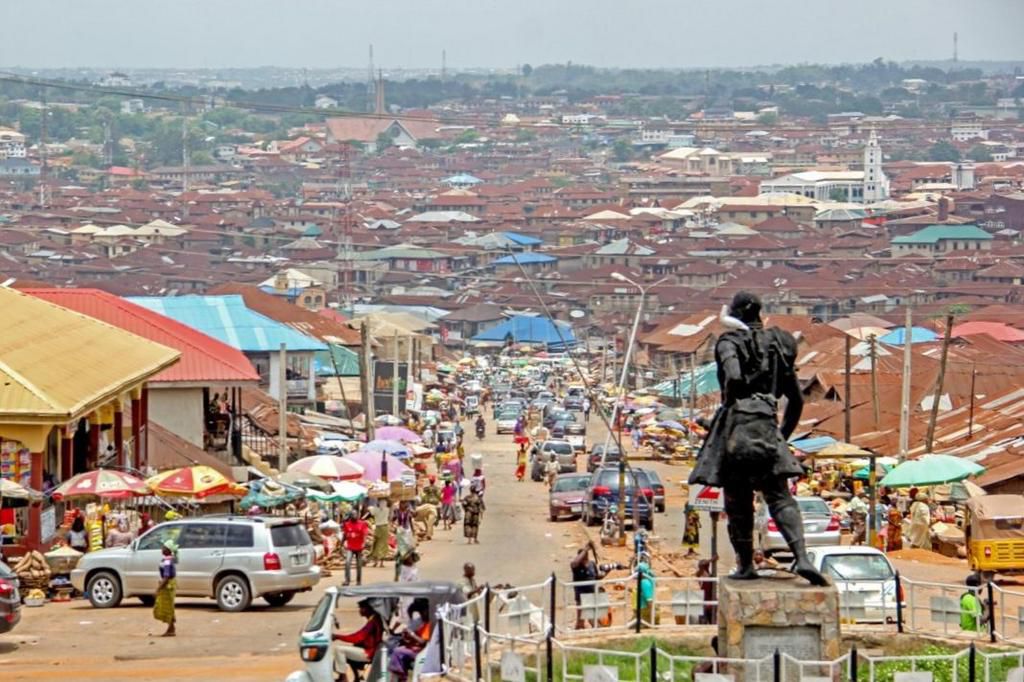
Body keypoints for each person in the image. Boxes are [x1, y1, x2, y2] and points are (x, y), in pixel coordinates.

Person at [688, 291, 826, 586]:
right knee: (780, 497)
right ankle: (801, 557)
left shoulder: (729, 342)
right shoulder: (779, 344)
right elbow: (796, 400)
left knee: (737, 500)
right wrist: (782, 438)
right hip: (767, 427)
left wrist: (732, 396)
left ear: (738, 312)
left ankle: (747, 565)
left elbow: (734, 376)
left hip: (736, 427)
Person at [335, 598, 385, 678]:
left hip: (369, 653)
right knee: (349, 650)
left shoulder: (372, 622)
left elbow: (358, 637)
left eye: (362, 608)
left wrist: (337, 637)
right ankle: (356, 677)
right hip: (372, 650)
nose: (360, 610)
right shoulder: (374, 619)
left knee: (339, 649)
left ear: (368, 609)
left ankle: (343, 677)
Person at [570, 541, 614, 629]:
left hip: (593, 594)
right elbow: (574, 563)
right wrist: (586, 549)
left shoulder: (592, 564)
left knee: (595, 619)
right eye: (583, 558)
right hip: (582, 596)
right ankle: (580, 630)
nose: (585, 560)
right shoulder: (576, 566)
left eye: (586, 557)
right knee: (581, 621)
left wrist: (608, 570)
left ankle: (597, 630)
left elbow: (597, 577)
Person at [389, 598, 432, 681]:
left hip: (422, 651)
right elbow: (415, 638)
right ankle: (399, 675)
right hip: (416, 648)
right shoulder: (423, 623)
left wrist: (412, 634)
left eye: (423, 613)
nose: (422, 615)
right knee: (397, 649)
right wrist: (407, 636)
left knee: (397, 652)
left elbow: (422, 642)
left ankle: (401, 675)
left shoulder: (429, 624)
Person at [153, 541, 177, 637]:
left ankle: (171, 628)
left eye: (164, 547)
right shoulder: (168, 559)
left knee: (165, 606)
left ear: (168, 550)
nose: (162, 549)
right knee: (168, 606)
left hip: (167, 585)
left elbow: (166, 576)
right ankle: (171, 627)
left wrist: (158, 589)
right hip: (169, 584)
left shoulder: (167, 561)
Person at [342, 511, 370, 586]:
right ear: (350, 516)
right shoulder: (347, 524)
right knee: (347, 562)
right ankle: (347, 580)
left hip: (359, 547)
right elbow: (345, 534)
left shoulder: (362, 524)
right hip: (350, 547)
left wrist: (364, 543)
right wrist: (342, 544)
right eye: (353, 515)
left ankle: (359, 581)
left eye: (355, 514)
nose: (354, 516)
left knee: (359, 564)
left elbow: (364, 534)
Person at [369, 500, 391, 568]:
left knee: (376, 544)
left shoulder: (375, 509)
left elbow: (370, 510)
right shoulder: (387, 510)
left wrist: (372, 506)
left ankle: (376, 562)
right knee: (383, 545)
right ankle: (381, 563)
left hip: (378, 528)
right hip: (385, 527)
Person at [695, 560, 716, 625]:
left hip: (708, 602)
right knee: (706, 622)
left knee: (710, 622)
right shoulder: (702, 575)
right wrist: (711, 559)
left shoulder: (708, 575)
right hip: (706, 603)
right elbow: (701, 567)